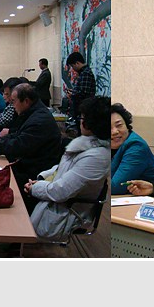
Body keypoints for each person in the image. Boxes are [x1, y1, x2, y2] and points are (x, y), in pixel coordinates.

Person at [27, 96, 111, 242]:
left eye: (82, 117)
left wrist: (34, 188)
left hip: (66, 212)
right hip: (57, 198)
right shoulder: (86, 145)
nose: (80, 121)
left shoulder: (97, 157)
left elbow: (60, 192)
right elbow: (61, 168)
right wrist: (40, 179)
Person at [0, 83, 62, 210]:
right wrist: (0, 139)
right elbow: (19, 134)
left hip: (33, 170)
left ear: (26, 101)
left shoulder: (39, 120)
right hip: (28, 163)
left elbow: (19, 145)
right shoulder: (32, 113)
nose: (12, 106)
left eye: (14, 102)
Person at [111, 103, 154, 195]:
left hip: (153, 198)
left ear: (127, 125)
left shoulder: (136, 146)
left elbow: (116, 187)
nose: (115, 132)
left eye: (119, 125)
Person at [65, 51, 96, 121]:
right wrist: (73, 91)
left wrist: (72, 94)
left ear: (77, 63)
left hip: (84, 108)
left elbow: (84, 93)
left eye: (72, 66)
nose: (72, 69)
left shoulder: (86, 73)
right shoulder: (84, 73)